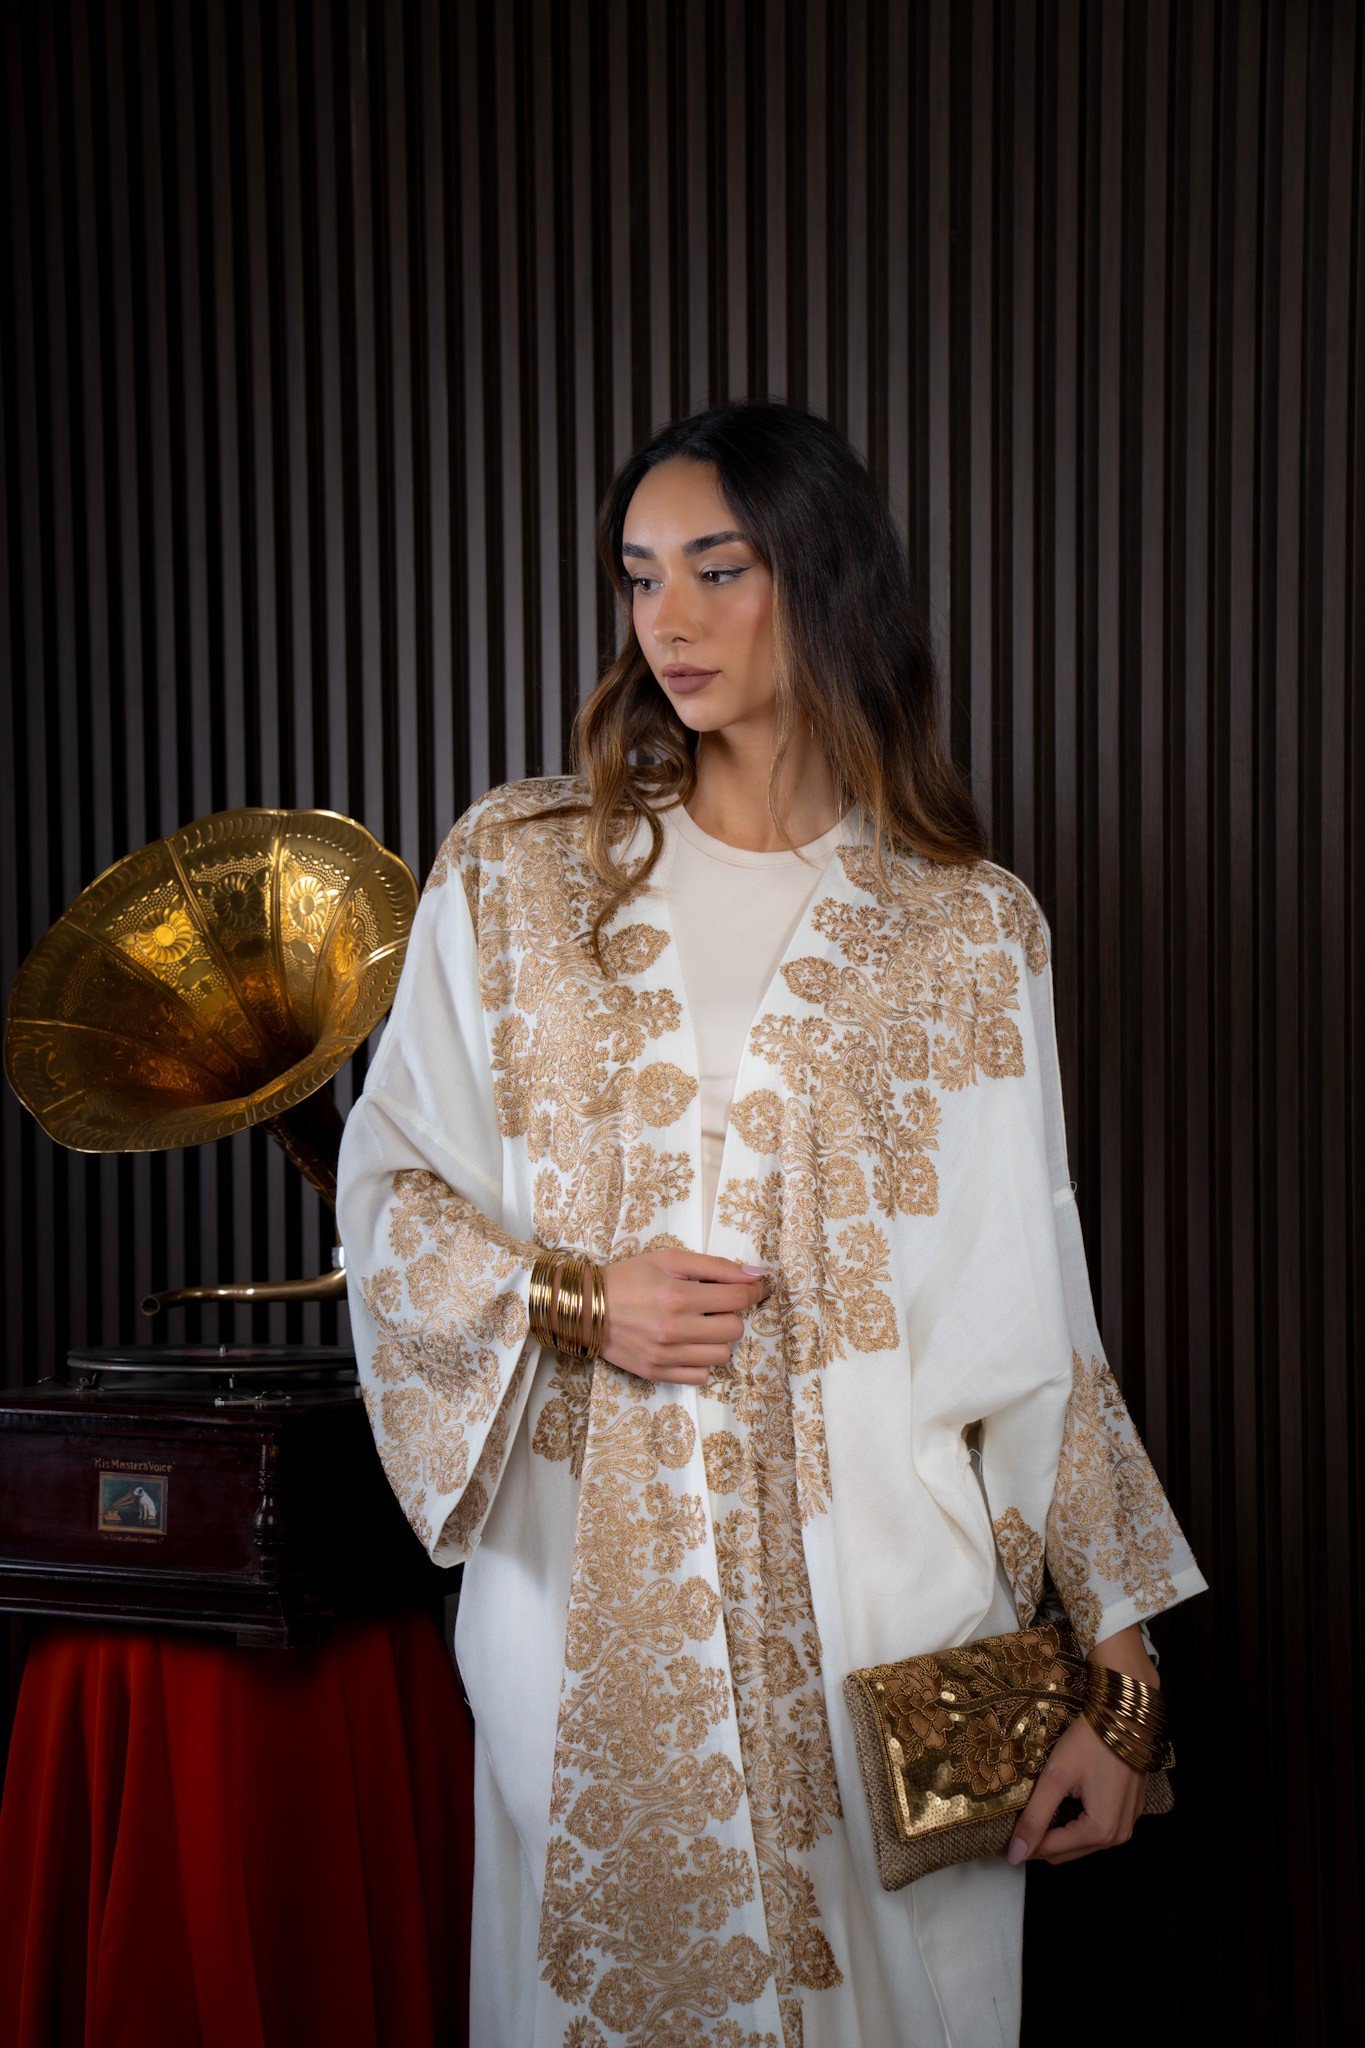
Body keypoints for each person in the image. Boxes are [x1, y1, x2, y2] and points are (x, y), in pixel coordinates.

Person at [335, 400, 1210, 2048]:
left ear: (823, 576)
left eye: (716, 569)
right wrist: (574, 1297)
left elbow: (1032, 1315)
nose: (666, 619)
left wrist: (1124, 1680)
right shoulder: (521, 873)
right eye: (637, 574)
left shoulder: (965, 930)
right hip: (586, 1615)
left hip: (880, 1607)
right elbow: (389, 1192)